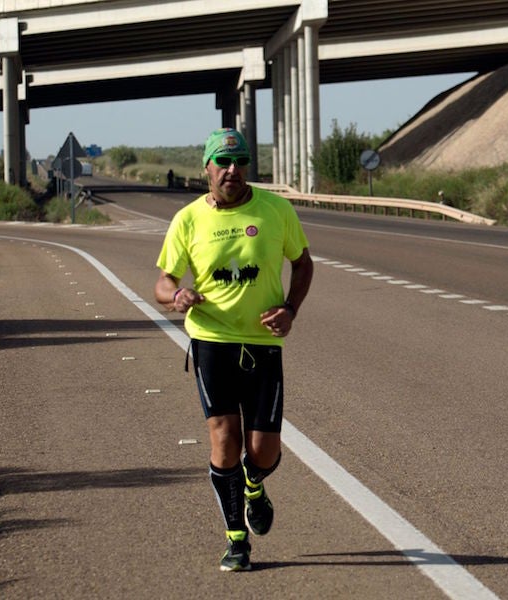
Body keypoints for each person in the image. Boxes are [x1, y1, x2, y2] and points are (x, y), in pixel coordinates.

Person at [154, 128, 313, 572]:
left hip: (263, 344)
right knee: (225, 439)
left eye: (240, 162)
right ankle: (236, 539)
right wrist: (176, 295)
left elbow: (303, 263)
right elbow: (163, 281)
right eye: (223, 162)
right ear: (206, 168)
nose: (232, 170)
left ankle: (254, 484)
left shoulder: (276, 210)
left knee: (263, 452)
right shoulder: (188, 219)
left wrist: (290, 309)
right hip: (212, 341)